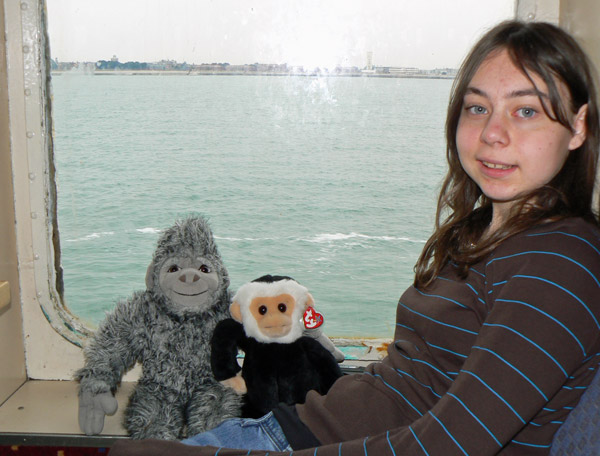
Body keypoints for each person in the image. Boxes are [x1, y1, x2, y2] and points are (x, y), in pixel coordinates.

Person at [109, 20, 600, 456]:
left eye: (526, 111)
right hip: (309, 426)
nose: (493, 133)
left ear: (578, 127)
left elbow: (448, 444)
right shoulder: (482, 233)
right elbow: (414, 382)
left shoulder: (561, 263)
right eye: (477, 108)